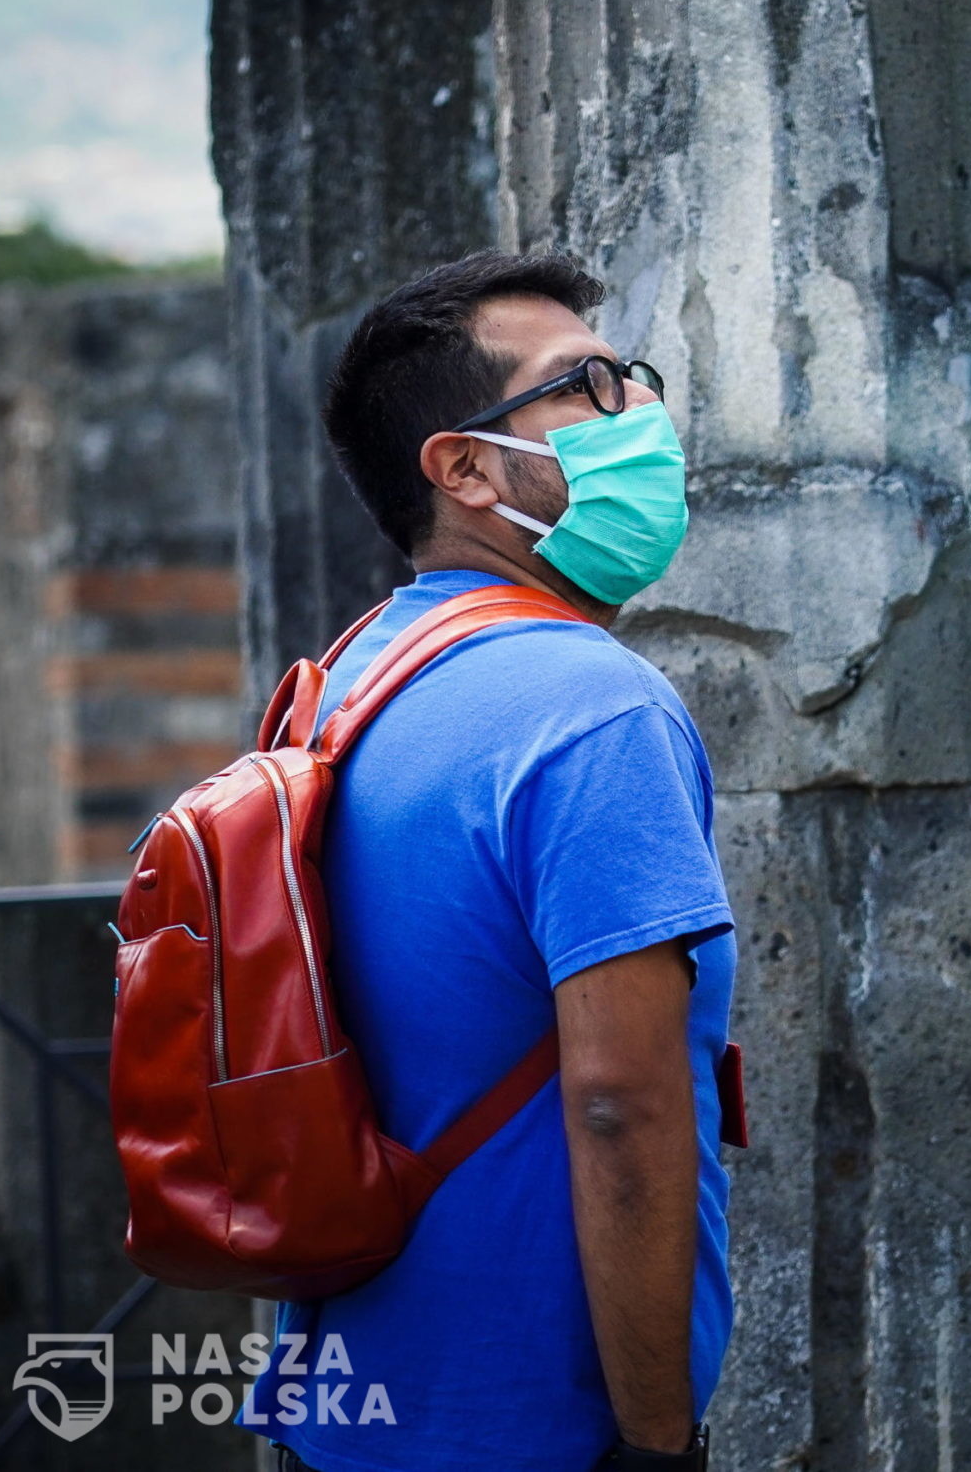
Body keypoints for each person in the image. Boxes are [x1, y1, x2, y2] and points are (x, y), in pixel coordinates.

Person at [246, 252, 731, 1472]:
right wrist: (658, 1442)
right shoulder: (591, 705)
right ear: (463, 466)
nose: (641, 416)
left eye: (631, 379)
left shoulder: (341, 683)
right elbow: (620, 1101)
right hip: (528, 1428)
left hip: (345, 1407)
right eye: (585, 389)